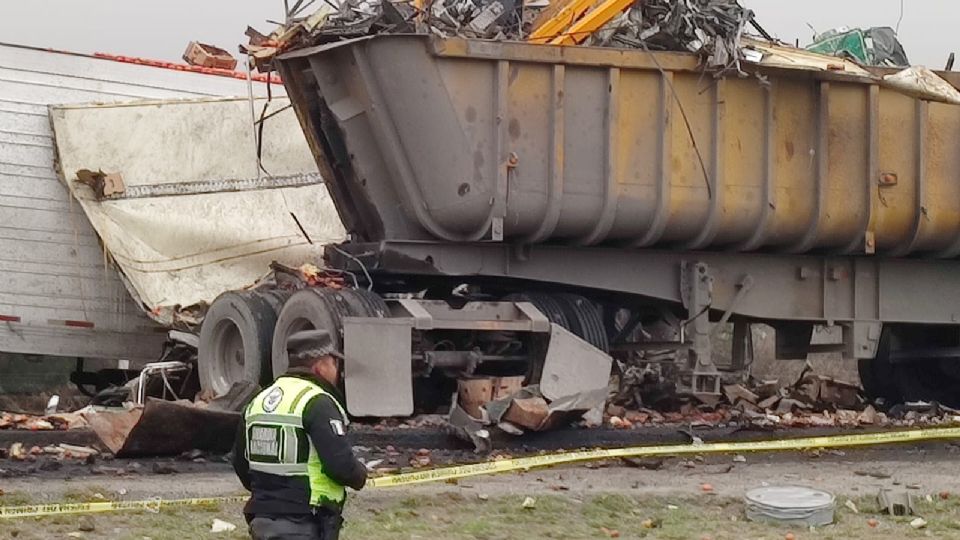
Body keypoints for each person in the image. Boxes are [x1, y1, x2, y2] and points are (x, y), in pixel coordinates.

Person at [233, 329, 367, 540]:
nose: (336, 369)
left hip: (263, 520)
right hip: (306, 520)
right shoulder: (317, 402)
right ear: (320, 366)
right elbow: (341, 466)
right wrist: (360, 475)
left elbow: (241, 463)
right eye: (333, 362)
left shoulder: (259, 400)